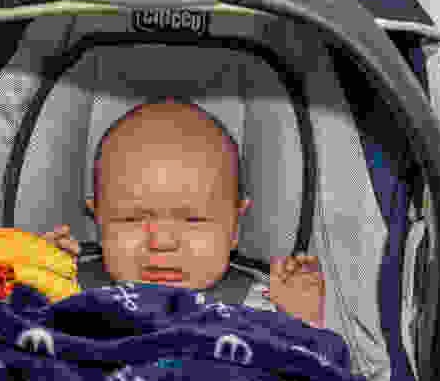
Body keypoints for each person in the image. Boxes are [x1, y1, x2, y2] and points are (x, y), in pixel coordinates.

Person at [42, 98, 325, 327]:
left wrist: (302, 322)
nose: (162, 242)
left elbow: (310, 372)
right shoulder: (70, 290)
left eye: (193, 220)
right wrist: (35, 283)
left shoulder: (264, 309)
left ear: (235, 226)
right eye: (132, 219)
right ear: (98, 220)